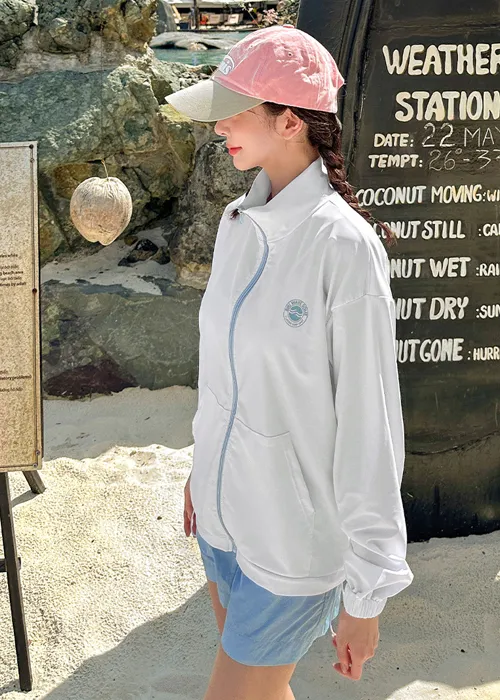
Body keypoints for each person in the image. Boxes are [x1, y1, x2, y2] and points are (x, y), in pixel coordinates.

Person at [165, 24, 414, 700]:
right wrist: (204, 470)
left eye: (234, 111)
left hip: (294, 546)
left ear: (290, 121)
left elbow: (370, 425)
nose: (219, 128)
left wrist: (367, 592)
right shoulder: (236, 224)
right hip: (222, 522)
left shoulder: (345, 247)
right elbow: (224, 375)